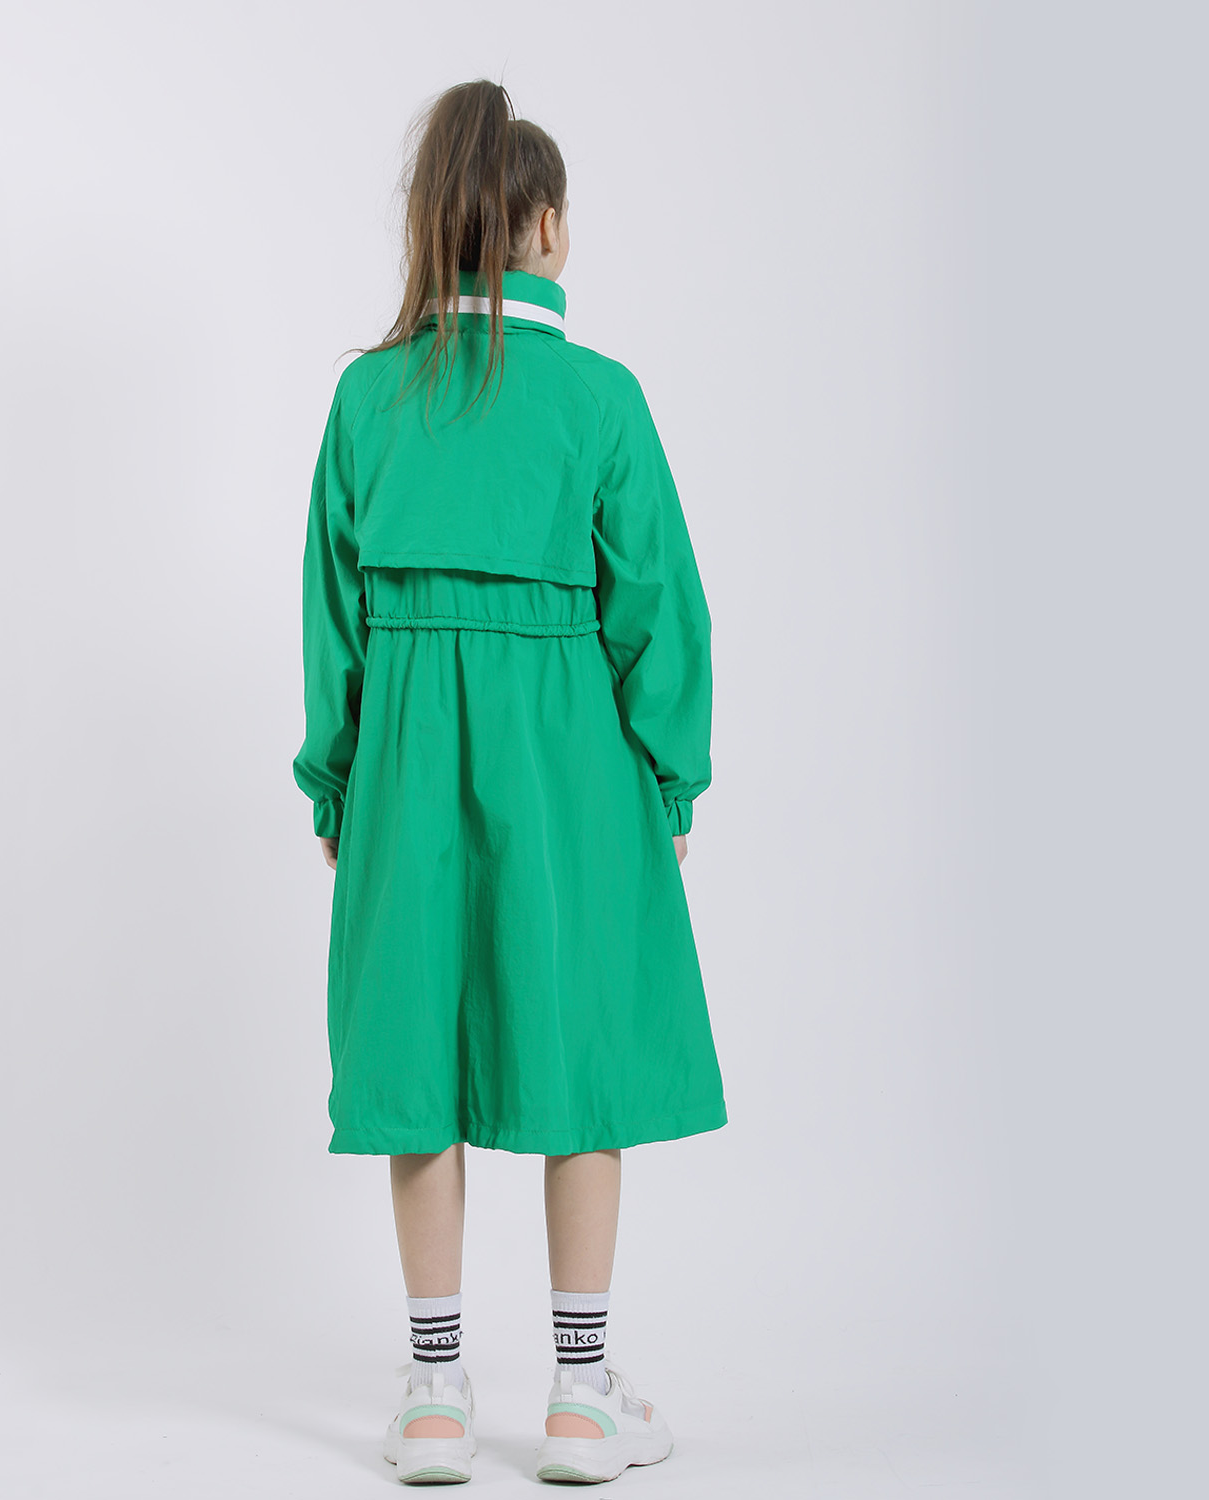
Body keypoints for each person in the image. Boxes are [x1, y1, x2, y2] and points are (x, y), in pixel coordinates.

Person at [292, 77, 727, 1485]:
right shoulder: (600, 398)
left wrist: (338, 783)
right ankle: (582, 1396)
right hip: (573, 779)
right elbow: (660, 609)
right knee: (576, 1058)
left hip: (407, 772)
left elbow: (333, 620)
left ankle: (435, 1394)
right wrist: (668, 778)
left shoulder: (368, 398)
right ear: (542, 225)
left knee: (418, 1058)